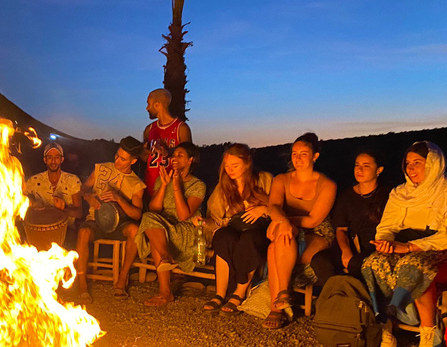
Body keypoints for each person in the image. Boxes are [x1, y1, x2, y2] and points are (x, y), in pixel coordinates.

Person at [361, 141, 447, 347]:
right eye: (408, 163)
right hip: (403, 244)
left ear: (434, 164)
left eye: (417, 163)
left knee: (415, 265)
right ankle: (386, 321)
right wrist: (385, 242)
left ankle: (429, 331)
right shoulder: (400, 193)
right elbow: (387, 226)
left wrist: (410, 247)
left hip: (436, 247)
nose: (410, 168)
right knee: (373, 263)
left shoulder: (444, 191)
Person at [264, 133, 337, 329]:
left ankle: (277, 306)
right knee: (279, 241)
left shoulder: (327, 184)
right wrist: (282, 221)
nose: (298, 158)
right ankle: (283, 296)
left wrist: (284, 221)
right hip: (287, 229)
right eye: (294, 153)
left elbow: (313, 220)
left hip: (317, 232)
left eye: (304, 153)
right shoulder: (281, 179)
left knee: (275, 247)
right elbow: (274, 205)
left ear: (315, 156)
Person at [130, 142, 205, 307]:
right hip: (163, 225)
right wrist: (164, 185)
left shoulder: (198, 185)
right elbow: (154, 209)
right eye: (173, 155)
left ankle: (165, 292)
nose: (174, 159)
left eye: (180, 156)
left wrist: (177, 186)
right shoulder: (163, 178)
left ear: (190, 160)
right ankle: (165, 257)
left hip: (186, 228)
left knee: (158, 234)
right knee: (149, 218)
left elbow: (184, 214)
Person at [204, 144, 273, 314]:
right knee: (222, 236)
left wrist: (263, 209)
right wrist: (204, 223)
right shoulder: (224, 187)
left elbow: (279, 207)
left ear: (247, 163)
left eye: (235, 166)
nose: (230, 170)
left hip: (259, 230)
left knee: (249, 240)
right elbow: (215, 217)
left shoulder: (264, 179)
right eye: (227, 166)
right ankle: (220, 293)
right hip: (234, 228)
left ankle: (239, 293)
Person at [75, 137, 146, 303]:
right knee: (84, 232)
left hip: (119, 224)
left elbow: (137, 214)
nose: (117, 160)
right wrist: (88, 196)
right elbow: (83, 188)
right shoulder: (101, 169)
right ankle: (82, 286)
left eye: (122, 159)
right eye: (117, 155)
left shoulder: (136, 184)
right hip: (96, 219)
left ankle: (121, 281)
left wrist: (119, 199)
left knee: (135, 230)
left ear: (133, 161)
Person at [310, 150, 389, 289]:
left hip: (377, 246)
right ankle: (339, 295)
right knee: (320, 261)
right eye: (357, 165)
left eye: (366, 166)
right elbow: (341, 229)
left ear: (379, 170)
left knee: (356, 264)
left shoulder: (388, 195)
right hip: (354, 244)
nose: (359, 169)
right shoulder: (346, 196)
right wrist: (346, 250)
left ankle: (364, 301)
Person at [25, 142, 82, 246]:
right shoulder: (33, 181)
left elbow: (79, 213)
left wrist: (63, 209)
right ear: (45, 160)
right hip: (38, 228)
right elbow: (21, 203)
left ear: (62, 160)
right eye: (50, 157)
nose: (53, 161)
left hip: (66, 228)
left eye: (57, 157)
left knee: (70, 242)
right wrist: (32, 204)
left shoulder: (73, 180)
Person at [142, 89, 192, 198]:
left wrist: (168, 153)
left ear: (157, 105)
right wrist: (144, 152)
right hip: (151, 187)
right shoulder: (149, 129)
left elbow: (190, 158)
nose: (147, 108)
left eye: (148, 104)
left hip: (173, 189)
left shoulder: (181, 128)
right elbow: (144, 158)